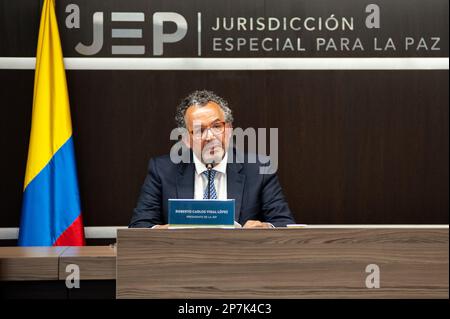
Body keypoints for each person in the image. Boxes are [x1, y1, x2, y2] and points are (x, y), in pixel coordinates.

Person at [129, 90, 295, 228]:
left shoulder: (259, 169)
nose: (210, 136)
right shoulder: (162, 170)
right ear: (186, 139)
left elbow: (284, 224)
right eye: (199, 130)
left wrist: (265, 228)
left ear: (229, 130)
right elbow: (140, 226)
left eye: (217, 126)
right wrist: (162, 231)